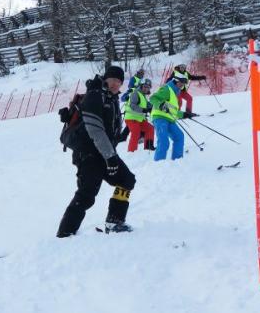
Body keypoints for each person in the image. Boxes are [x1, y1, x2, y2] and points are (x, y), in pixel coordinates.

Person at [56, 65, 136, 237]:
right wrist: (111, 157)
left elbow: (107, 131)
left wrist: (120, 137)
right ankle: (64, 234)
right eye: (113, 79)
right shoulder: (95, 95)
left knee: (127, 180)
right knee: (87, 193)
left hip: (104, 153)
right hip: (88, 153)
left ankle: (114, 221)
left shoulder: (111, 99)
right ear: (106, 79)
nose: (116, 84)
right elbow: (95, 130)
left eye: (119, 81)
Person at [149, 75, 198, 161]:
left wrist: (185, 114)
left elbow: (173, 111)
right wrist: (160, 104)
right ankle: (158, 164)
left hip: (170, 119)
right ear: (176, 80)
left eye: (184, 84)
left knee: (179, 136)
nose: (182, 85)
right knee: (164, 141)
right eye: (181, 82)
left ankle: (177, 161)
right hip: (160, 118)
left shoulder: (175, 94)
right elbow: (153, 98)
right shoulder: (167, 89)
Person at [123, 78, 155, 152]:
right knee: (136, 132)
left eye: (148, 87)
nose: (146, 89)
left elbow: (148, 105)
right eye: (145, 86)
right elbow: (132, 105)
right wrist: (143, 110)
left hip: (139, 119)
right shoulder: (135, 93)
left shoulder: (142, 95)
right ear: (141, 86)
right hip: (131, 118)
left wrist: (153, 108)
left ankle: (148, 147)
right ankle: (131, 151)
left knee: (150, 128)